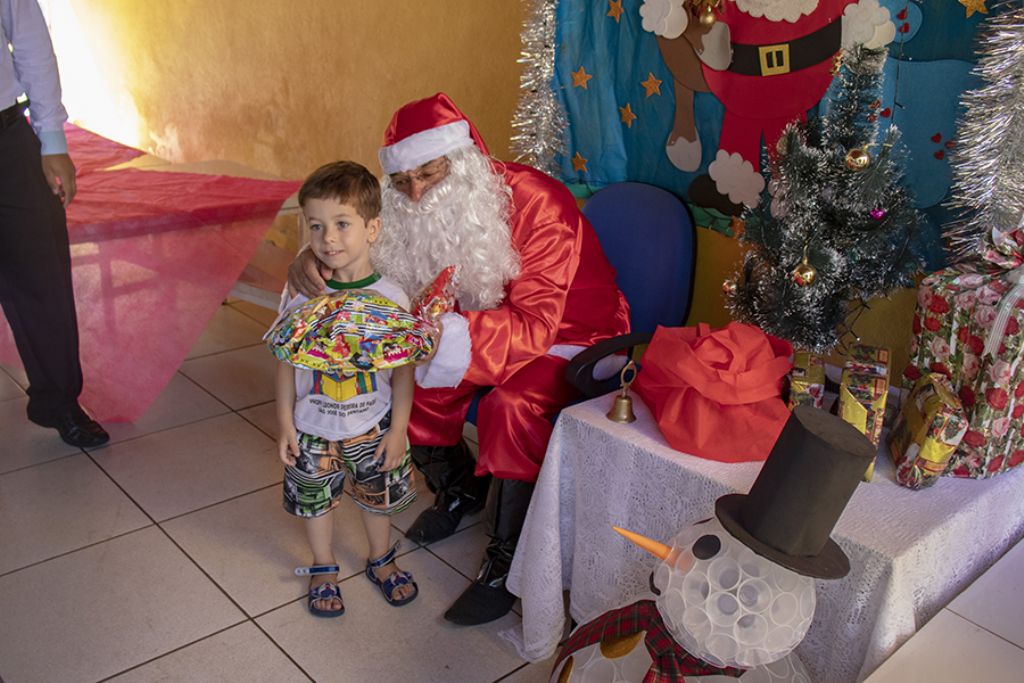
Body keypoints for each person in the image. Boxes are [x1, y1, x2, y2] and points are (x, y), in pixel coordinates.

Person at [289, 93, 630, 625]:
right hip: (471, 329)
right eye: (402, 182)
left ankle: (508, 561)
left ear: (463, 158)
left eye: (430, 172)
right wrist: (311, 258)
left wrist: (430, 340)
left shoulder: (538, 201)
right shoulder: (405, 206)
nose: (418, 192)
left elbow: (537, 324)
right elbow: (358, 244)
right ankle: (461, 488)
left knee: (511, 407)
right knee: (404, 385)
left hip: (571, 332)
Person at [274, 161, 419, 617]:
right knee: (316, 503)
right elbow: (283, 361)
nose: (328, 238)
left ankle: (380, 559)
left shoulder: (392, 298)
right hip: (311, 426)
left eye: (342, 224)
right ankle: (323, 567)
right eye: (315, 226)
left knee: (378, 500)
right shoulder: (300, 293)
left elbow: (403, 372)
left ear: (372, 228)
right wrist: (284, 424)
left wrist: (398, 430)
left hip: (372, 424)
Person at [0, 0, 108, 447]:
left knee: (41, 271)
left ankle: (58, 401)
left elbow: (29, 40)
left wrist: (53, 139)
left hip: (5, 135)